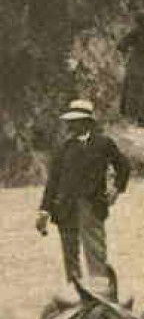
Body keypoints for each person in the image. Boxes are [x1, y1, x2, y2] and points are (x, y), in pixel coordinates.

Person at [36, 100, 129, 287]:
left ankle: (100, 290)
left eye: (77, 121)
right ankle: (74, 289)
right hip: (65, 207)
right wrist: (44, 210)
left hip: (92, 205)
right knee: (70, 253)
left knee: (96, 251)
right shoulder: (63, 148)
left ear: (88, 122)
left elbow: (123, 166)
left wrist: (116, 189)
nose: (72, 125)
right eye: (70, 121)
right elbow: (53, 181)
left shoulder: (103, 143)